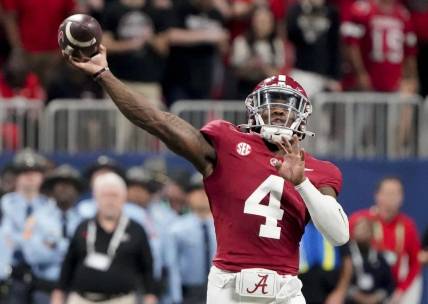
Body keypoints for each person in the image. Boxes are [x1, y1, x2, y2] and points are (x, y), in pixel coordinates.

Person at [64, 44, 350, 303]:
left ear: (302, 115)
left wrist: (301, 183)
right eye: (270, 103)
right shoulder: (228, 145)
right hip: (228, 286)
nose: (277, 111)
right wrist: (104, 74)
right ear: (254, 110)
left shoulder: (320, 170)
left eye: (285, 106)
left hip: (285, 290)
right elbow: (158, 121)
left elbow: (338, 235)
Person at [51, 172, 157, 304]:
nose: (110, 201)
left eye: (114, 195)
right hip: (81, 299)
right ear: (96, 197)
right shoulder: (83, 227)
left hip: (121, 299)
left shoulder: (136, 230)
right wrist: (58, 292)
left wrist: (150, 295)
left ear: (124, 198)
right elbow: (69, 263)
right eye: (105, 195)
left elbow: (147, 266)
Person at [349, 177, 422, 304]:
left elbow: (415, 262)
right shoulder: (360, 220)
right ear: (377, 195)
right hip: (361, 288)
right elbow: (344, 254)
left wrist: (401, 290)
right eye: (388, 193)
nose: (392, 198)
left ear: (402, 197)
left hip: (394, 290)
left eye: (396, 193)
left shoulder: (407, 225)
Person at [19, 165, 84, 304]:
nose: (64, 189)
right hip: (45, 289)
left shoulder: (83, 220)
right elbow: (32, 255)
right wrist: (70, 250)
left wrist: (54, 246)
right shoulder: (37, 218)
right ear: (52, 189)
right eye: (60, 184)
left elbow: (85, 256)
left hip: (76, 291)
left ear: (77, 191)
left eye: (69, 185)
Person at [1, 149, 49, 304]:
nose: (30, 177)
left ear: (42, 177)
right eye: (24, 172)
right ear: (16, 177)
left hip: (42, 277)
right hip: (9, 277)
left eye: (35, 172)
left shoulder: (51, 208)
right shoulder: (3, 205)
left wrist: (18, 240)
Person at [168, 172, 216, 304]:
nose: (202, 194)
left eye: (206, 189)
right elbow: (173, 266)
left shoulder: (225, 227)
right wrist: (176, 297)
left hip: (220, 288)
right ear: (188, 197)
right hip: (190, 292)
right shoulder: (177, 228)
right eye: (196, 190)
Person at [299, 221, 352, 304]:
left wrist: (340, 292)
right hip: (299, 292)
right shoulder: (292, 222)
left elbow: (347, 262)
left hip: (331, 293)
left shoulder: (336, 225)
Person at [346, 216, 394, 304]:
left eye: (366, 229)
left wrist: (377, 297)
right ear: (353, 231)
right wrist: (355, 294)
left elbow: (389, 285)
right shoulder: (346, 255)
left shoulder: (380, 259)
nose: (362, 232)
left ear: (372, 234)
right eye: (359, 228)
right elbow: (337, 282)